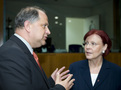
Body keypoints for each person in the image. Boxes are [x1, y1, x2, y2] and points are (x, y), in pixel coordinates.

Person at [0, 6, 75, 90]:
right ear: (28, 26)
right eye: (44, 25)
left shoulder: (21, 50)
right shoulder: (11, 54)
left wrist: (51, 81)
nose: (48, 31)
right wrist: (61, 88)